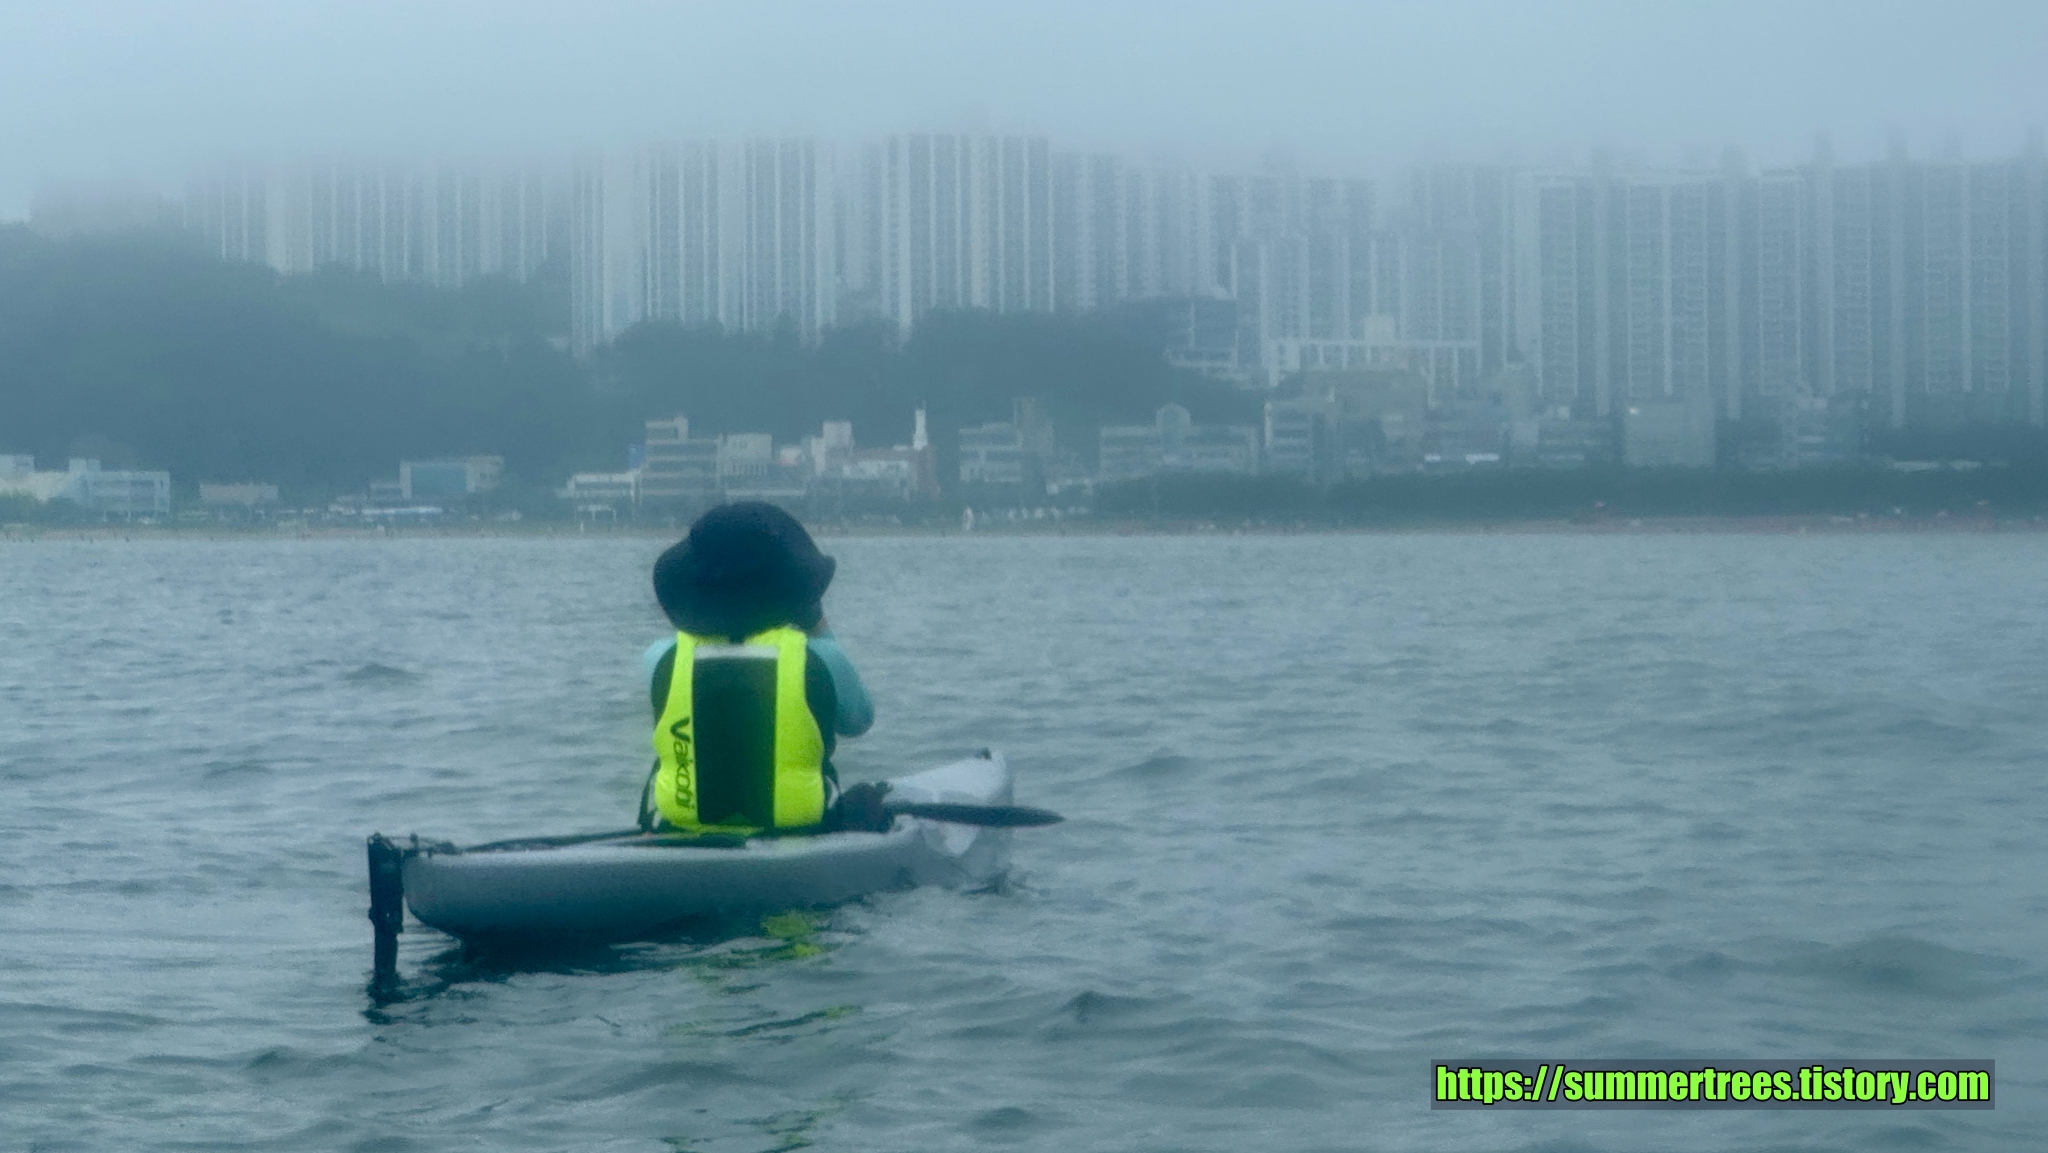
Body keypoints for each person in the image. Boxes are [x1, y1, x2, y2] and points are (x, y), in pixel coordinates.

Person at [639, 501, 874, 834]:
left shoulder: (660, 658)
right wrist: (819, 627)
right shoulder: (820, 657)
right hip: (799, 829)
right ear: (789, 588)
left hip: (684, 828)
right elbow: (858, 721)